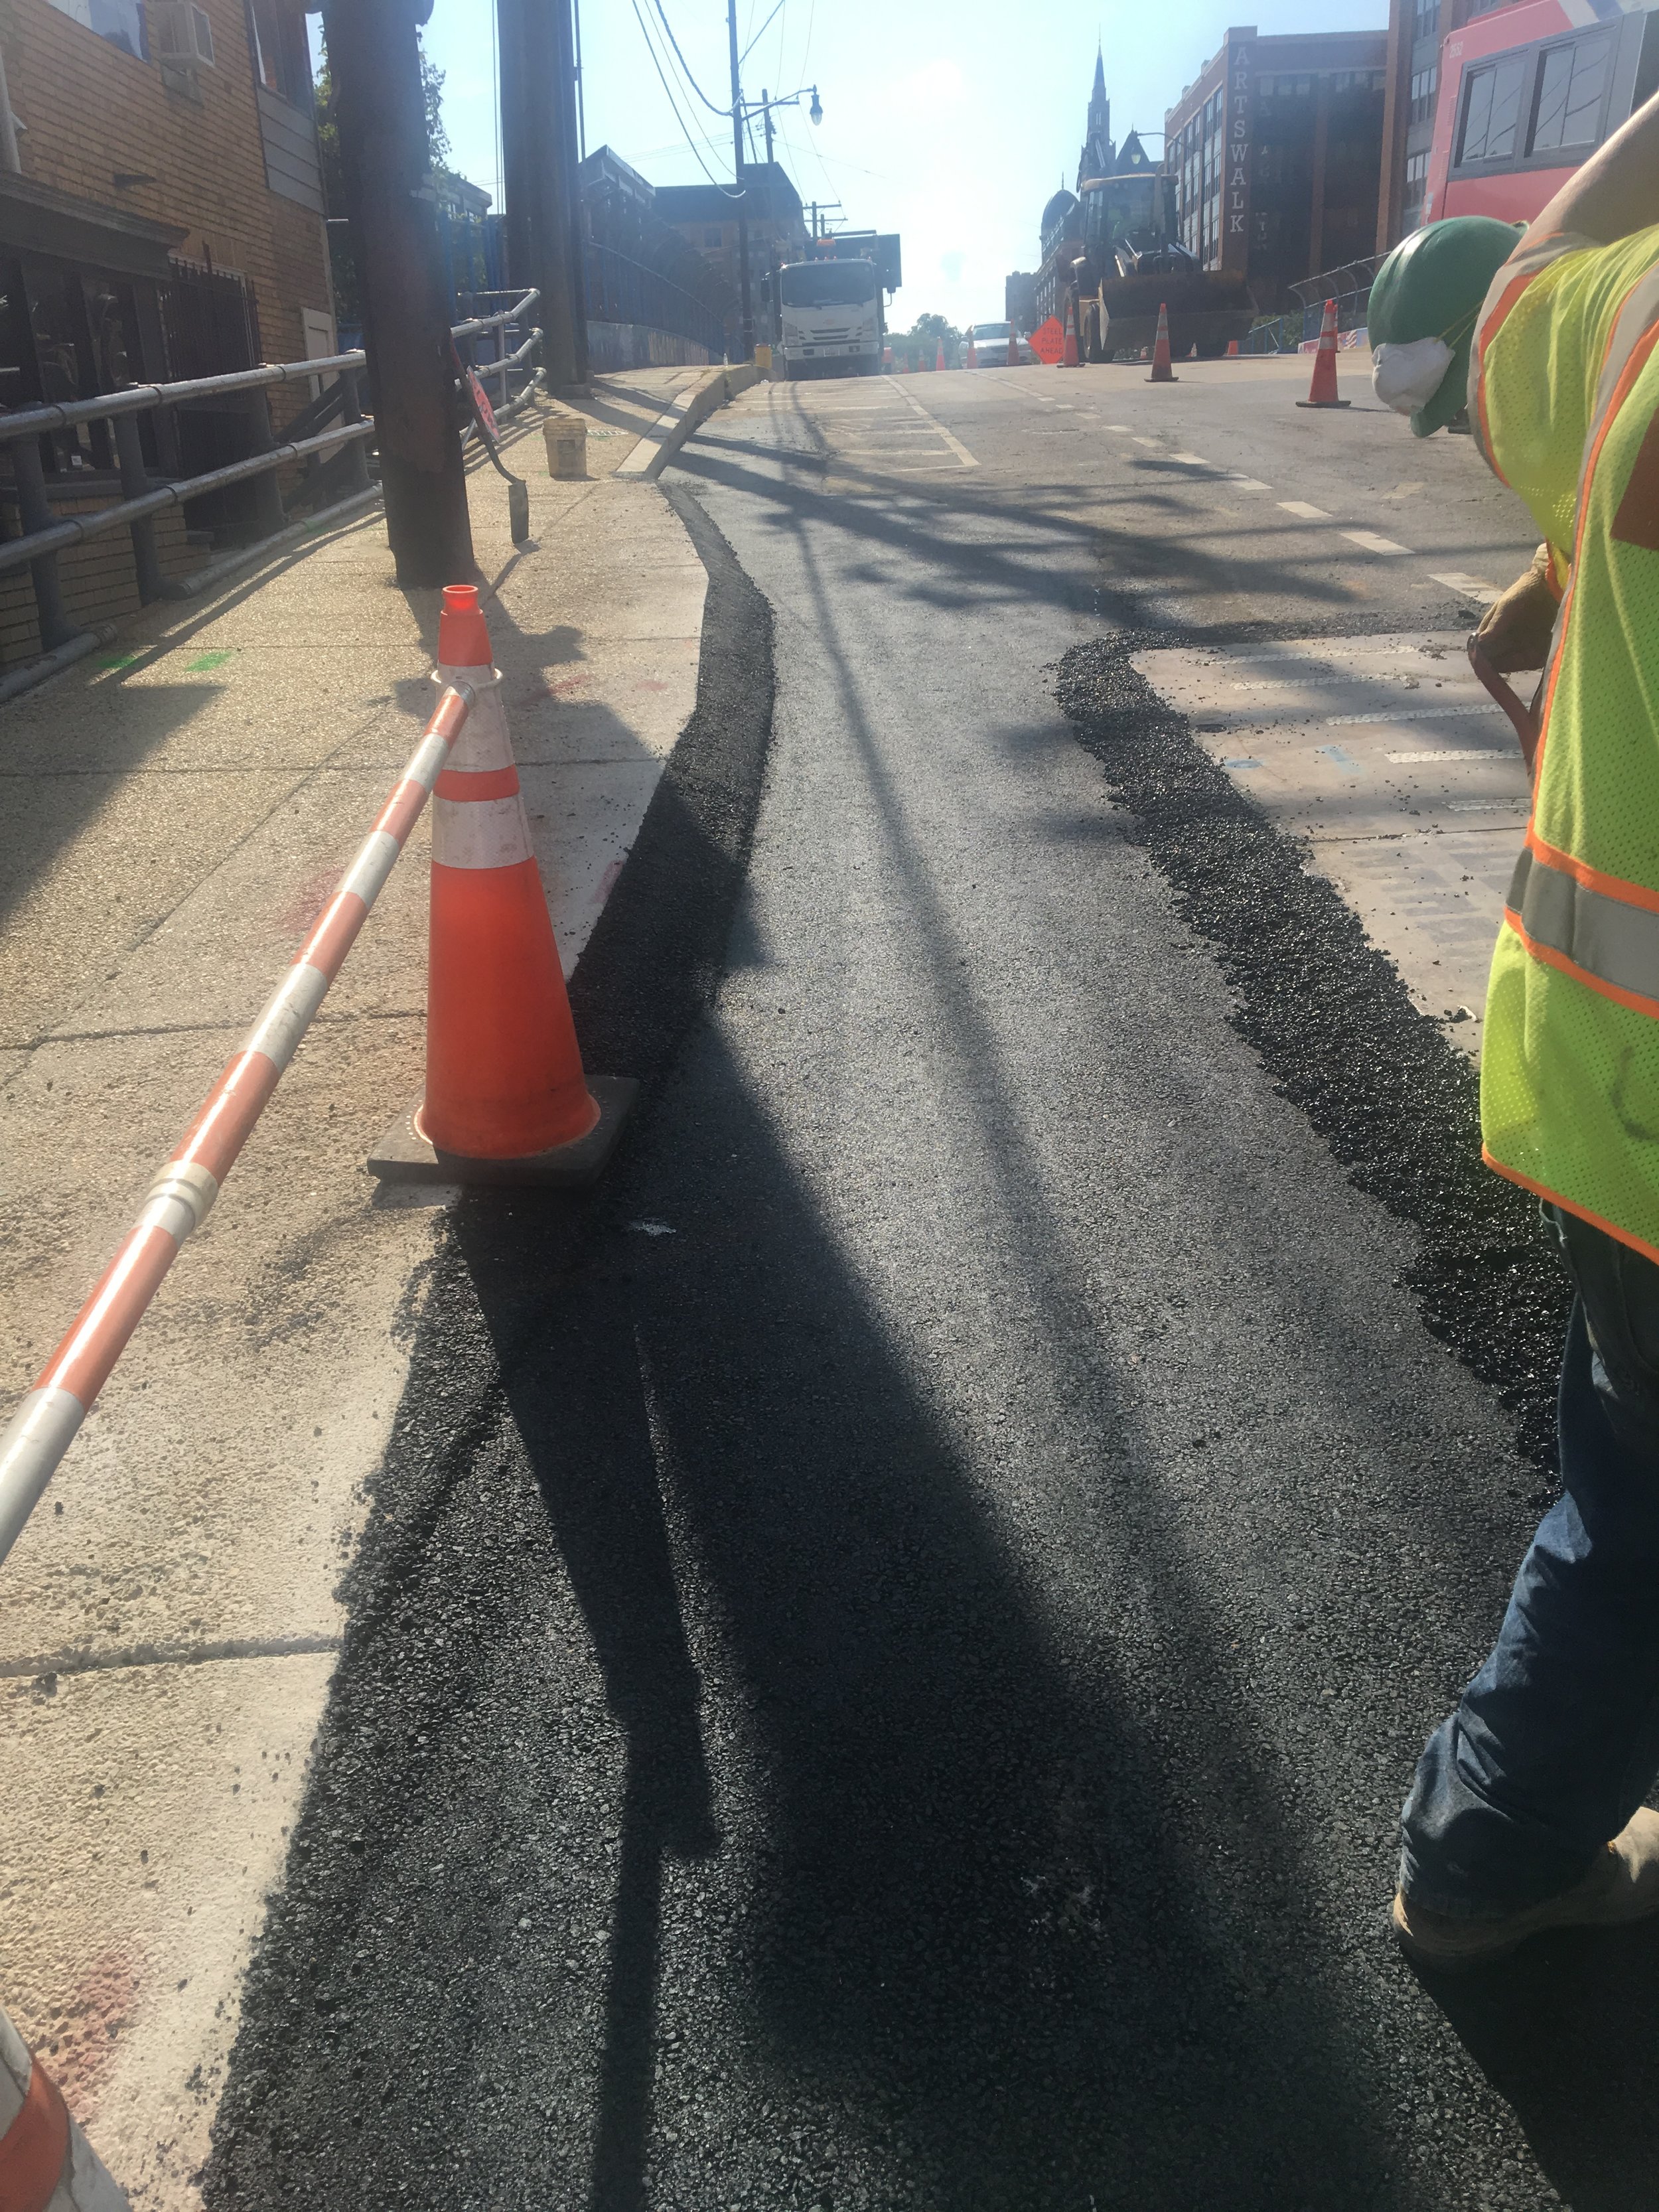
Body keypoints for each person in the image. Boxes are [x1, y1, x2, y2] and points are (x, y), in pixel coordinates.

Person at [1365, 98, 1659, 1969]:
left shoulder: (1616, 323)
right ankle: (1484, 1856)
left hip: (1599, 1088)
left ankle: (1489, 1845)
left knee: (1631, 1498)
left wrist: (1569, 541)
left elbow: (1516, 294)